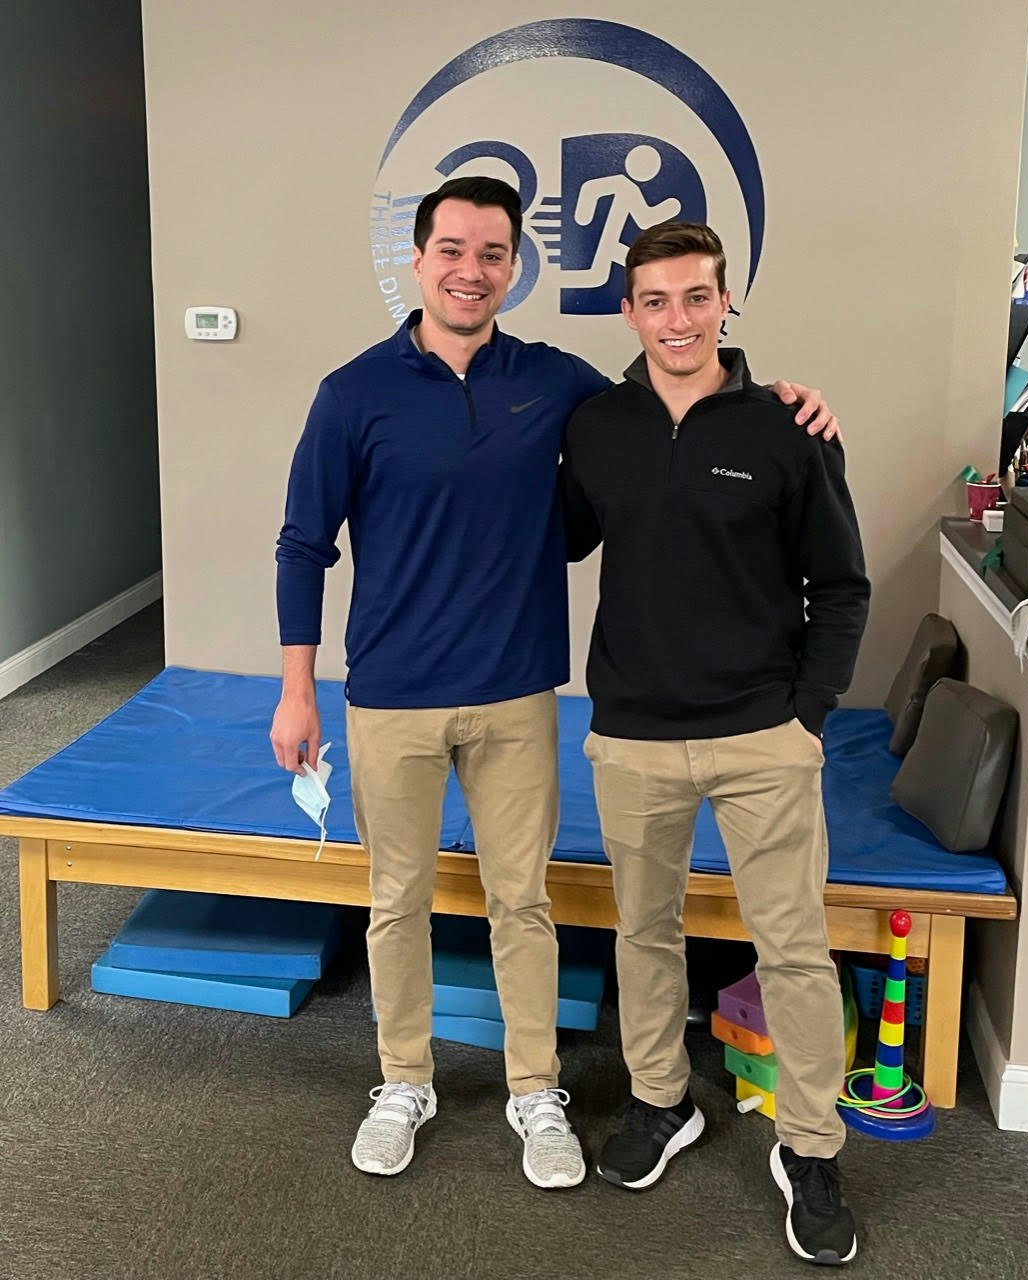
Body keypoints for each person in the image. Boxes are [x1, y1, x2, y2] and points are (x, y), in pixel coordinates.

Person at [269, 176, 841, 1192]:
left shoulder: (562, 385)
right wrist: (296, 688)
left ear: (514, 268)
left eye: (492, 253)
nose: (470, 269)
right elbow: (302, 542)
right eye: (452, 249)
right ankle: (405, 1078)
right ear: (418, 258)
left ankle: (537, 1088)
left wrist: (788, 398)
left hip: (517, 692)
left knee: (520, 901)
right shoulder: (352, 392)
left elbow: (682, 398)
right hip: (390, 692)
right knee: (395, 902)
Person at [559, 221, 869, 1264]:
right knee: (642, 934)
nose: (677, 320)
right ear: (629, 310)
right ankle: (661, 1099)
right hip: (633, 730)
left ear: (724, 301)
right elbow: (549, 534)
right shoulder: (597, 424)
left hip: (760, 733)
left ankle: (811, 1145)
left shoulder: (790, 427)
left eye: (697, 298)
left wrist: (808, 713)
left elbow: (843, 584)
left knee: (792, 947)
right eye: (656, 301)